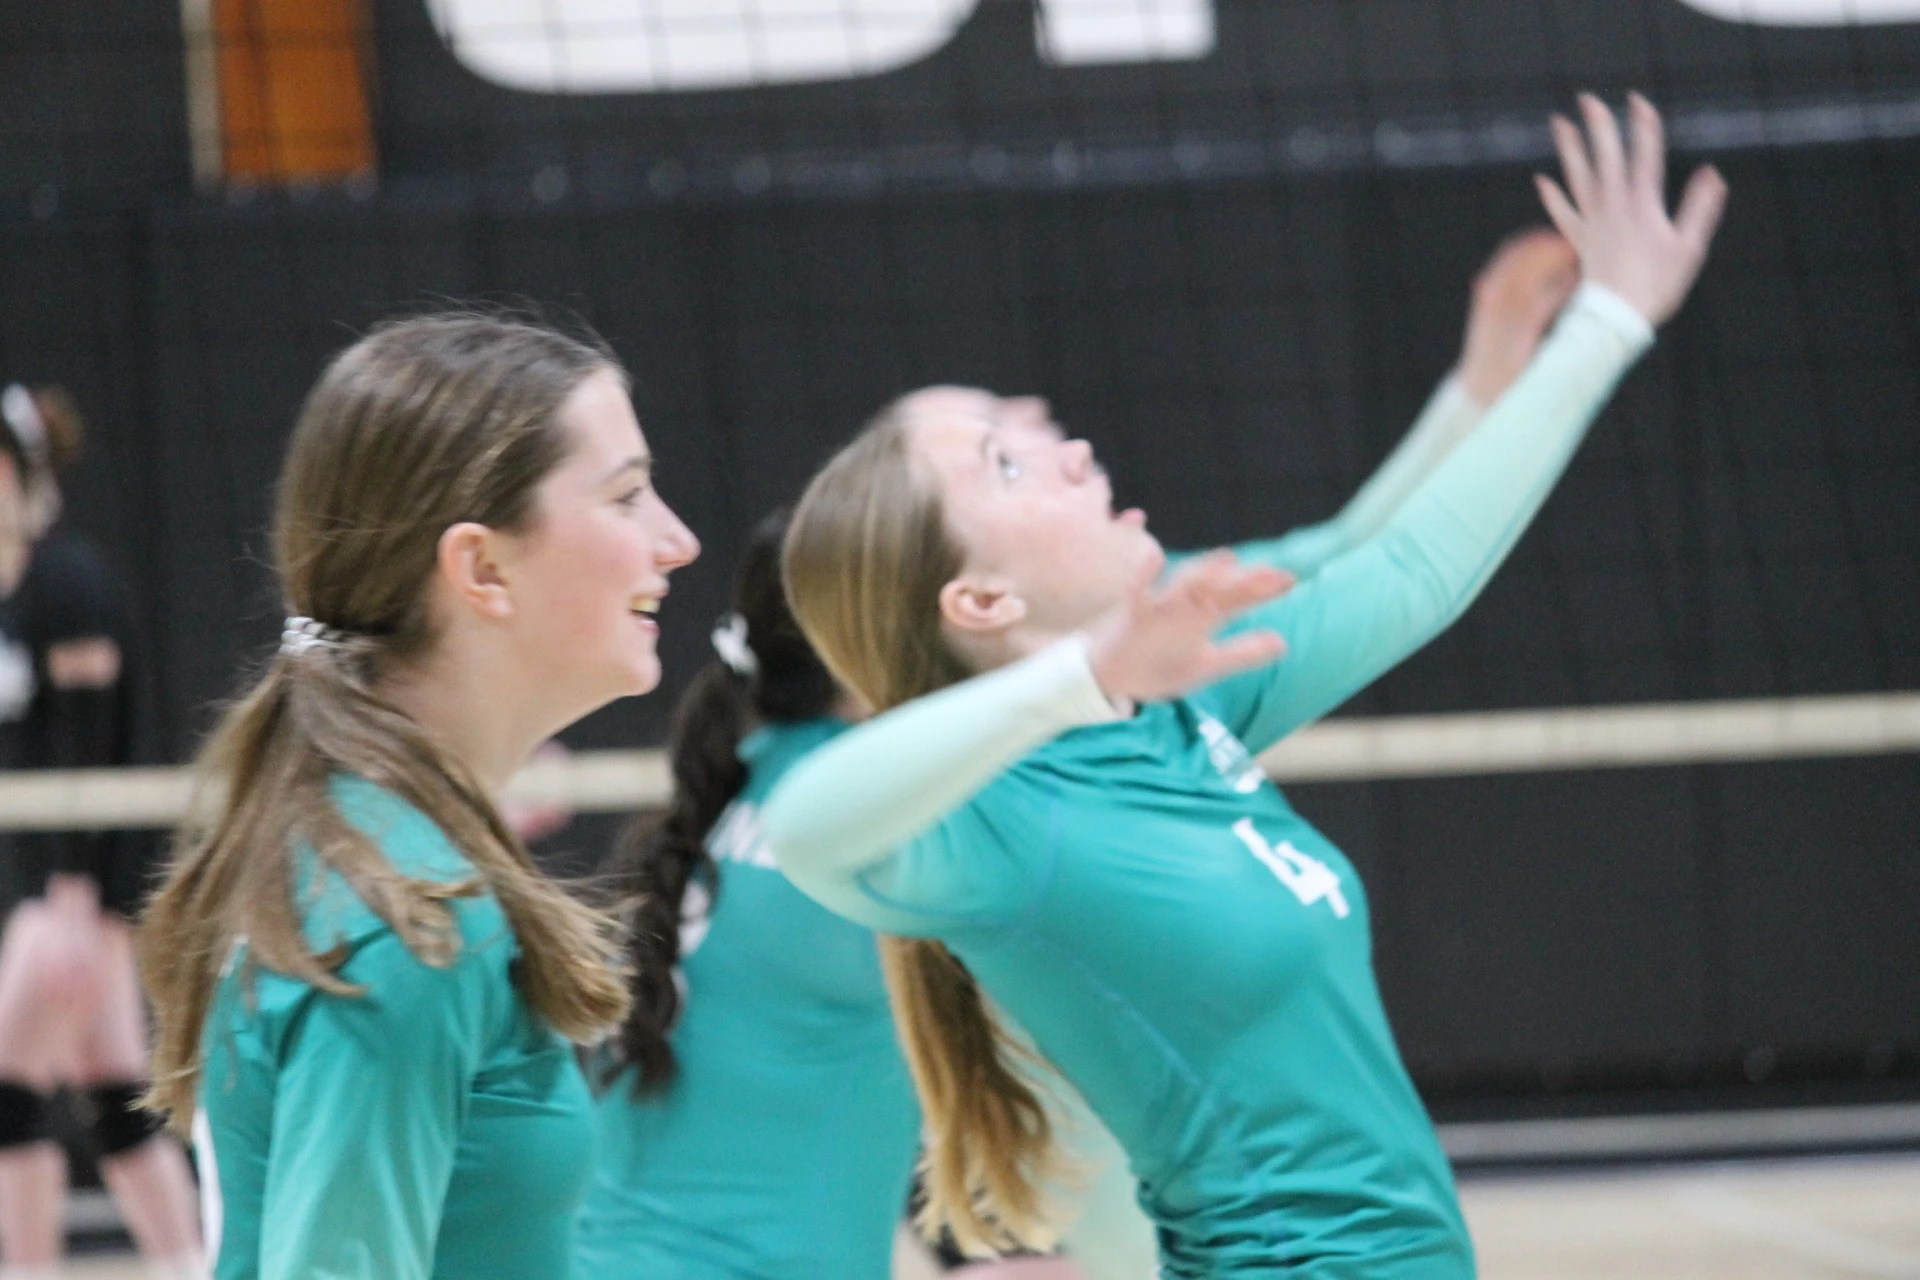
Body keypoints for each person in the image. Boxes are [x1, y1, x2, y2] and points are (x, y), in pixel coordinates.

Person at [763, 95, 1726, 1277]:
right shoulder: (999, 824)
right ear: (981, 600)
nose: (1071, 449)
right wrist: (1081, 673)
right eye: (1006, 462)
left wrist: (1599, 324)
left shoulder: (1185, 701)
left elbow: (1402, 564)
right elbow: (805, 828)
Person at [136, 314, 700, 1280]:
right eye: (626, 496)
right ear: (482, 568)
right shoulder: (406, 919)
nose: (677, 540)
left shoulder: (381, 852)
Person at [0, 383, 204, 1280]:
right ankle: (189, 1265)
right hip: (49, 886)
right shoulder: (14, 587)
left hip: (80, 889)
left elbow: (95, 748)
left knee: (8, 1095)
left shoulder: (67, 581)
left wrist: (78, 902)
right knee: (116, 1099)